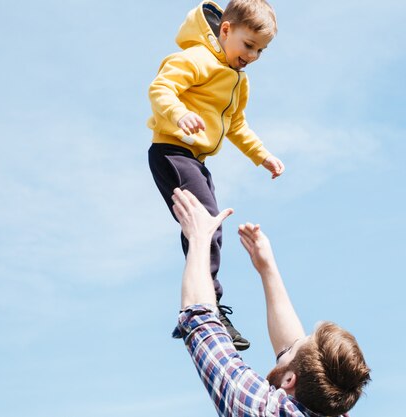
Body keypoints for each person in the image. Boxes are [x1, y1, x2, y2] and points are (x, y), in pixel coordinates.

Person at [147, 0, 285, 351]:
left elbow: (237, 126)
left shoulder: (239, 82)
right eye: (248, 45)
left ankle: (204, 301)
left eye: (261, 51)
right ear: (226, 30)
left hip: (196, 160)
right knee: (207, 223)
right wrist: (178, 115)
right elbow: (160, 89)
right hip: (172, 151)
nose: (253, 56)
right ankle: (205, 306)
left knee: (207, 228)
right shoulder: (196, 58)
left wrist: (263, 155)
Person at [171, 187, 371, 416]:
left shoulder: (260, 410)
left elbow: (200, 320)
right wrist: (267, 269)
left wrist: (198, 237)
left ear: (289, 380)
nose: (291, 342)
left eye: (294, 347)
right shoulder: (332, 403)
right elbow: (296, 355)